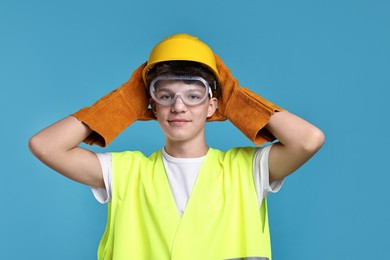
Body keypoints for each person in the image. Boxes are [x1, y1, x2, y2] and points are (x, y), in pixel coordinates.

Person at [29, 33, 325, 260]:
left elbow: (308, 140)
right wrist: (121, 104)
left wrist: (237, 100)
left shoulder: (247, 170)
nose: (179, 106)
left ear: (213, 106)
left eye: (194, 96)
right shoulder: (126, 172)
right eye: (166, 95)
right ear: (151, 106)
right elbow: (45, 145)